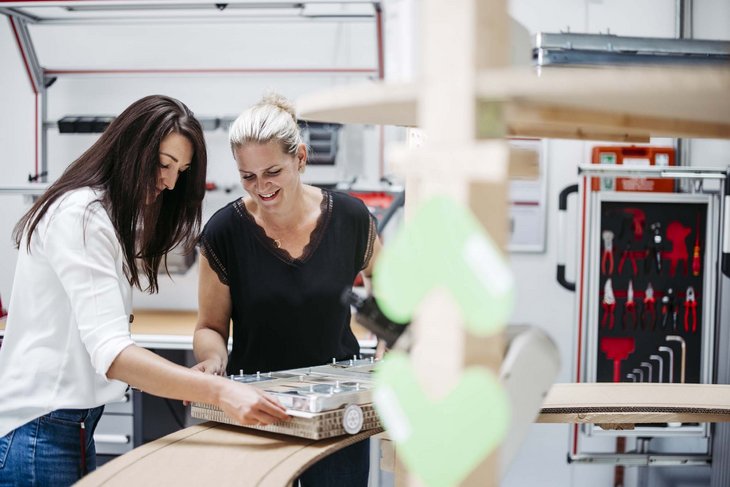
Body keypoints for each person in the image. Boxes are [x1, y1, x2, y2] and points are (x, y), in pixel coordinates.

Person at [0, 95, 288, 486]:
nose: (170, 182)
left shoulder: (100, 215)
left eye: (180, 170)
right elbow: (113, 353)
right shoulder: (79, 217)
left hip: (71, 424)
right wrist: (219, 391)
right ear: (130, 148)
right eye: (164, 164)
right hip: (41, 430)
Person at [193, 93, 381, 487]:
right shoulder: (224, 232)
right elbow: (209, 327)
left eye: (272, 172)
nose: (261, 187)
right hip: (256, 414)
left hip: (337, 414)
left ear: (300, 158)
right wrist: (212, 361)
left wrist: (387, 355)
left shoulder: (351, 218)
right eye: (248, 176)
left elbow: (393, 302)